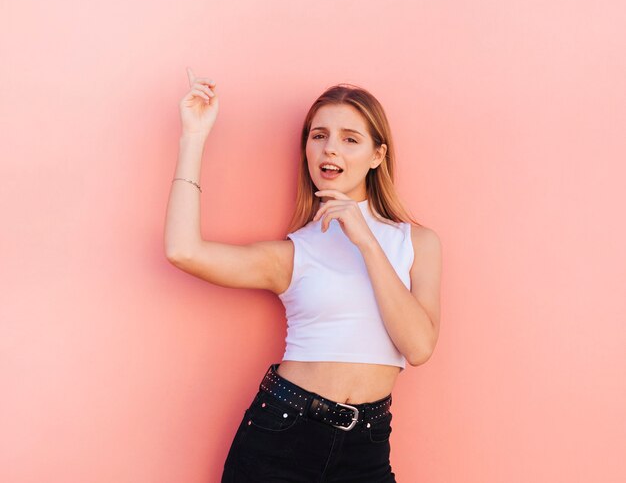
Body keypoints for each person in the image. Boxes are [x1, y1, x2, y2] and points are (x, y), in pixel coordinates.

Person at [164, 68, 442, 482]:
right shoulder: (295, 254)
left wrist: (367, 242)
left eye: (350, 138)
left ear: (377, 155)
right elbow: (183, 251)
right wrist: (194, 137)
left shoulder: (418, 242)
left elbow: (418, 347)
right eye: (319, 136)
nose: (331, 149)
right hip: (283, 435)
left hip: (366, 447)